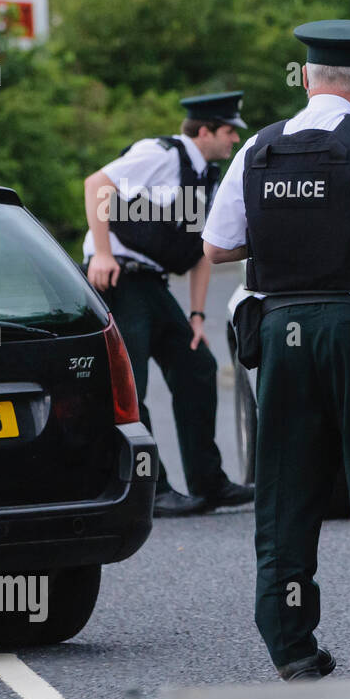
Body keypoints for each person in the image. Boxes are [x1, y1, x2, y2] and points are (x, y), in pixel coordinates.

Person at [202, 20, 350, 681]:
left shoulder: (259, 146)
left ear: (305, 78)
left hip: (282, 333)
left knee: (285, 491)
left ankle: (293, 648)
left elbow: (218, 245)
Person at [83, 92, 256, 517]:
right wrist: (102, 254)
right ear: (205, 131)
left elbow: (203, 251)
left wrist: (197, 316)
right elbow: (96, 184)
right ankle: (151, 489)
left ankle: (208, 482)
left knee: (197, 365)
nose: (235, 139)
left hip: (152, 285)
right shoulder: (157, 154)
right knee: (132, 385)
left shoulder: (206, 176)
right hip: (118, 277)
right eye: (229, 131)